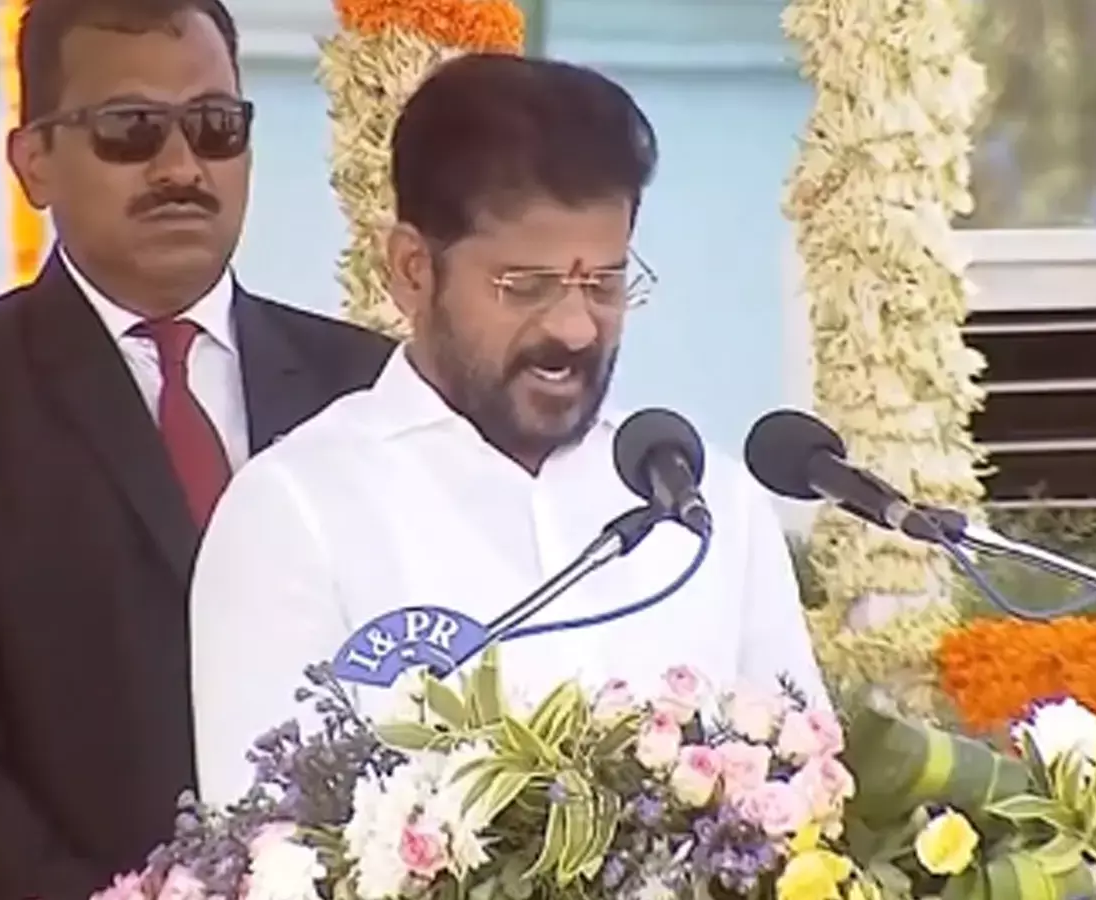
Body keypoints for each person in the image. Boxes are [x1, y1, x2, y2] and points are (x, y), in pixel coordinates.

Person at [189, 53, 828, 807]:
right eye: (525, 287)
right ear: (412, 270)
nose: (575, 328)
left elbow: (806, 798)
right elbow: (261, 838)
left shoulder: (706, 502)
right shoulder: (295, 511)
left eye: (605, 284)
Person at [0, 0, 395, 896]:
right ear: (33, 161)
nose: (181, 167)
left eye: (215, 127)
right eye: (131, 129)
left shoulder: (370, 389)